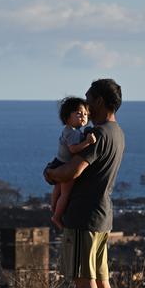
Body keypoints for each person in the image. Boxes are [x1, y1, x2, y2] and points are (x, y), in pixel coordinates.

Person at [44, 78, 125, 288]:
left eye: (89, 98)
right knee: (102, 281)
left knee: (84, 282)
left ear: (100, 101)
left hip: (83, 216)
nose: (86, 104)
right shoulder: (117, 133)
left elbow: (72, 171)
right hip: (103, 216)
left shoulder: (98, 135)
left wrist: (50, 174)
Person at [47, 97, 97, 230]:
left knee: (57, 189)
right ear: (67, 117)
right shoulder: (73, 133)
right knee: (65, 194)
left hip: (57, 162)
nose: (83, 117)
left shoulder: (69, 130)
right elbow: (73, 149)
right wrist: (87, 142)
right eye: (79, 114)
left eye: (86, 114)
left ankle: (53, 207)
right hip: (65, 165)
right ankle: (56, 217)